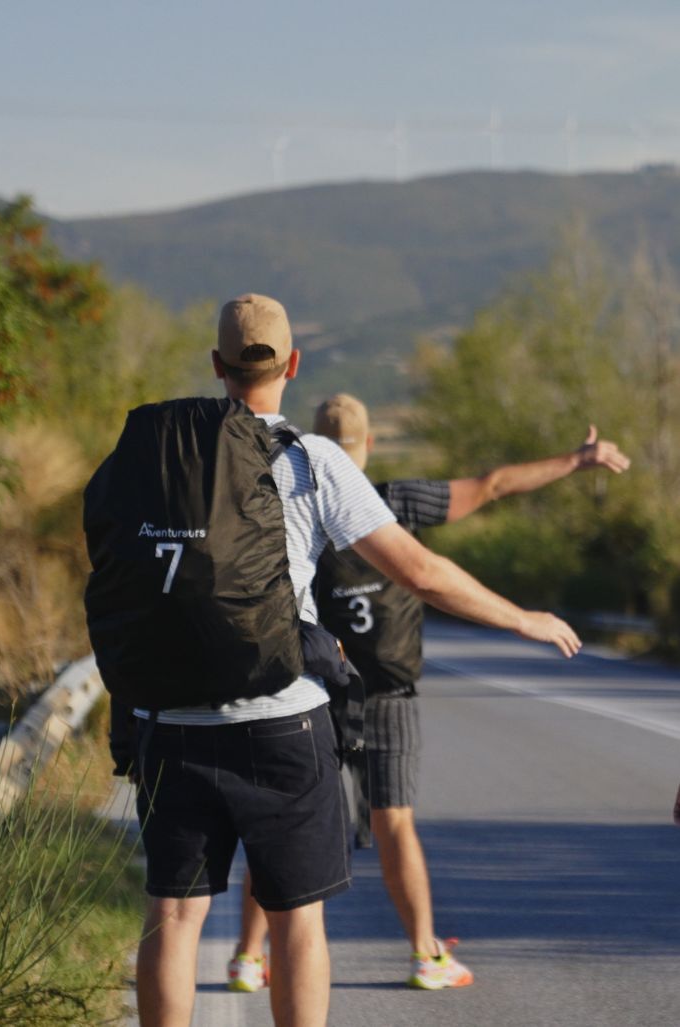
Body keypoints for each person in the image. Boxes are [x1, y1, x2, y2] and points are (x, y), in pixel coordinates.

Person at [130, 295, 581, 1027]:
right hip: (283, 723)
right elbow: (421, 573)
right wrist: (523, 618)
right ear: (293, 365)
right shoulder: (310, 459)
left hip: (173, 719)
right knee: (297, 918)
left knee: (174, 916)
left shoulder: (161, 459)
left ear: (216, 365)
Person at [229, 392, 629, 995]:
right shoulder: (396, 500)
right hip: (386, 694)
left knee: (283, 824)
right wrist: (575, 460)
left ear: (315, 439)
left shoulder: (292, 488)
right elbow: (492, 485)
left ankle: (246, 958)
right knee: (394, 822)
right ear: (368, 444)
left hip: (314, 687)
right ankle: (425, 954)